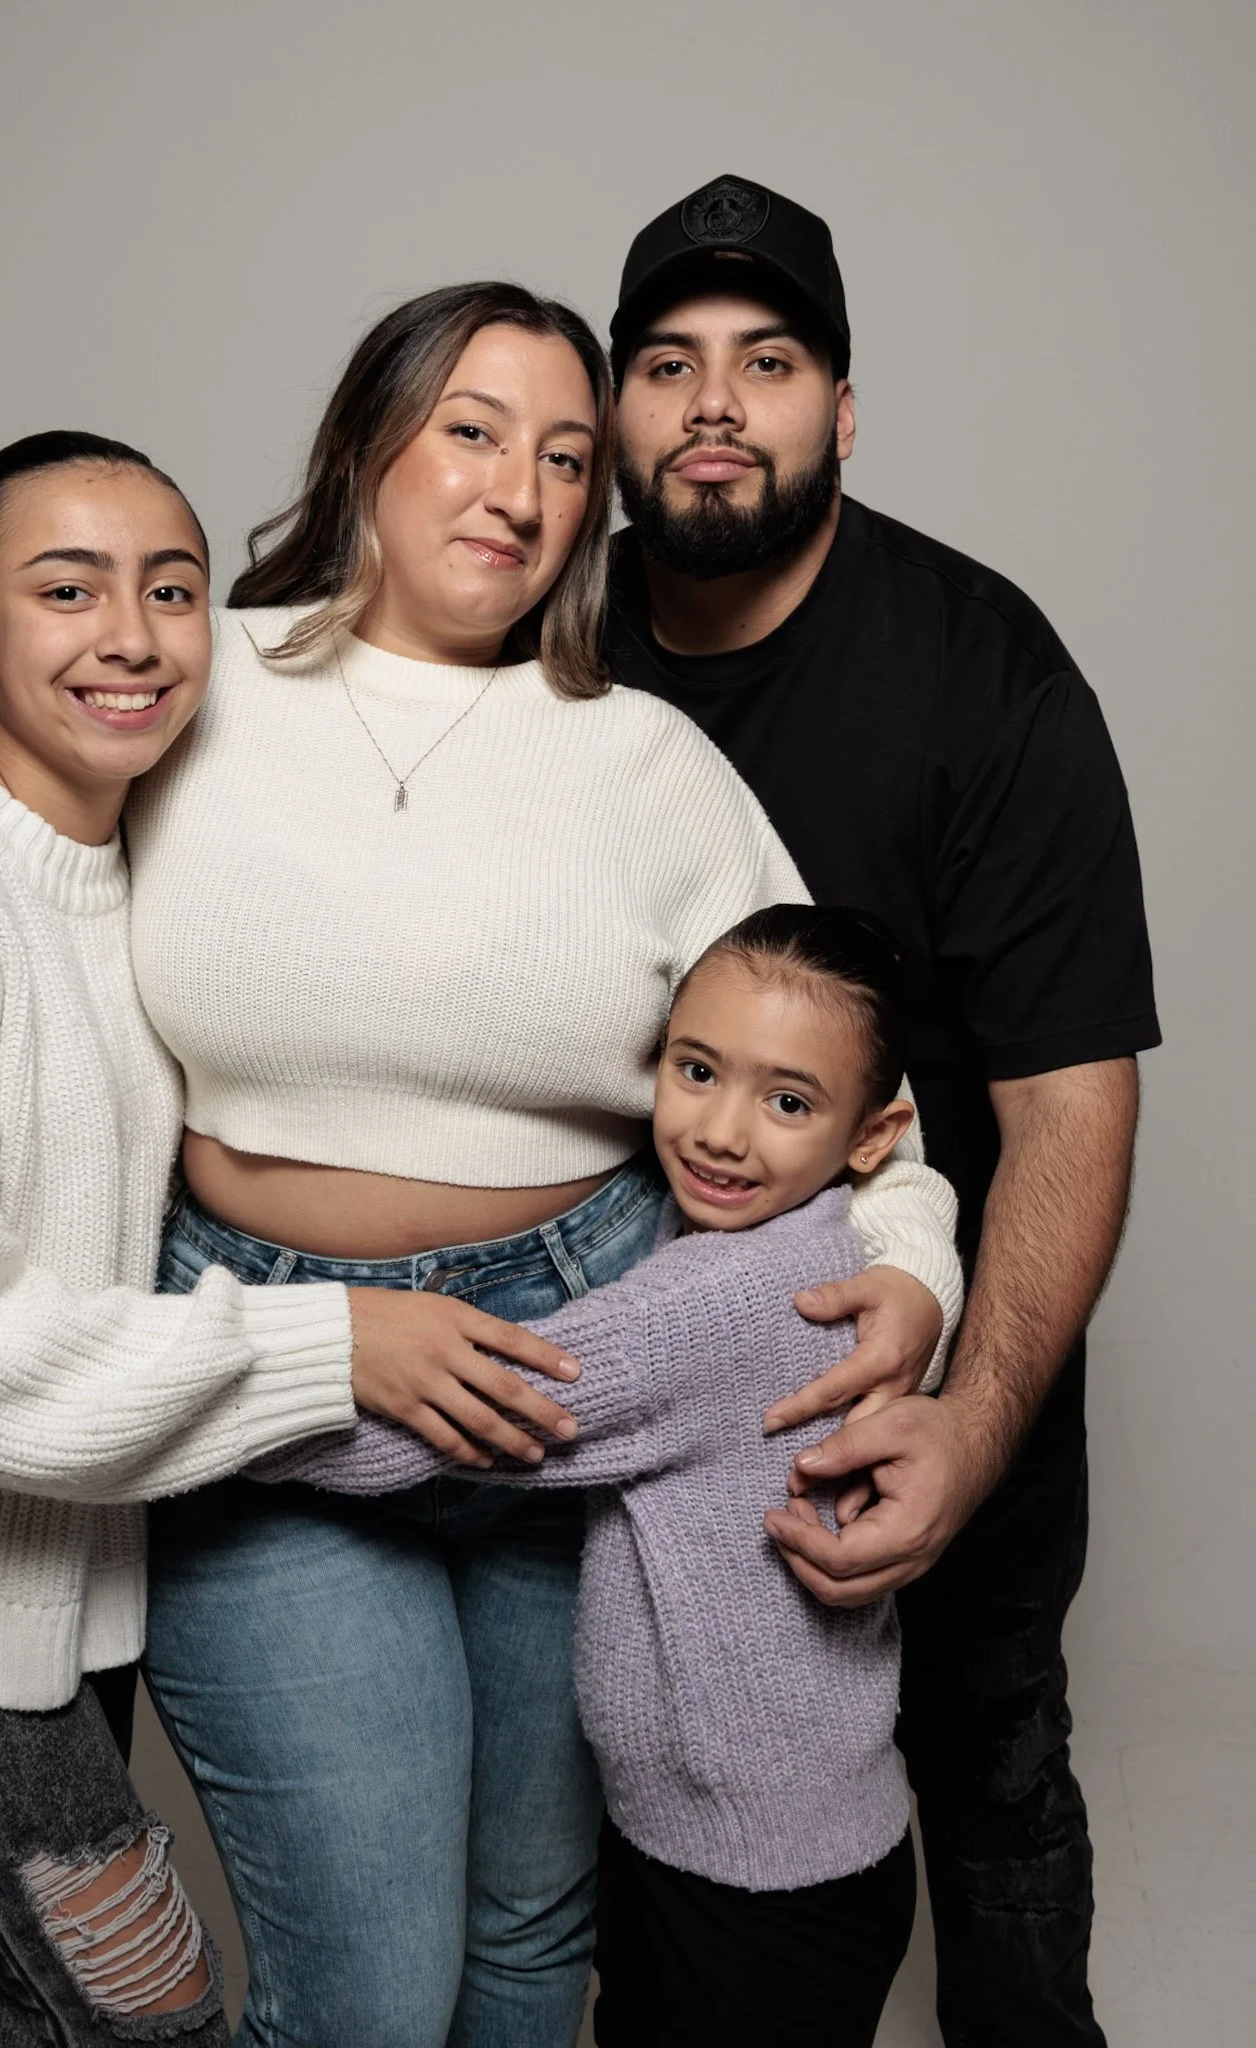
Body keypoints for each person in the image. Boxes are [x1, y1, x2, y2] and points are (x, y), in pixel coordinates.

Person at [0, 284, 964, 2048]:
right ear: (367, 443)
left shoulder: (646, 758)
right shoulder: (199, 672)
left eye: (565, 455)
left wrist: (915, 1278)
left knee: (531, 1942)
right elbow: (21, 780)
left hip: (576, 1369)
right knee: (367, 1994)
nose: (521, 489)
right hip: (266, 1372)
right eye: (472, 429)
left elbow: (860, 1092)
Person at [0, 429, 580, 2047]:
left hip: (49, 1559)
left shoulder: (123, 840)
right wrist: (338, 1346)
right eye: (61, 590)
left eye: (171, 589)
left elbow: (372, 644)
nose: (131, 633)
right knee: (145, 2008)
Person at [600, 174, 1159, 2046]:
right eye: (664, 361)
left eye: (765, 362)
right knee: (619, 1832)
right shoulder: (537, 633)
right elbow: (213, 674)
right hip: (631, 1371)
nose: (708, 403)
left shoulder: (980, 666)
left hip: (928, 1352)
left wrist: (975, 1417)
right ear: (608, 413)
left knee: (989, 1767)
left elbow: (1068, 1094)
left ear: (839, 412)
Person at [260, 902, 951, 2048]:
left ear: (874, 1137)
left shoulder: (718, 1299)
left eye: (788, 1101)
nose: (723, 1131)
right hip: (759, 1842)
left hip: (756, 1884)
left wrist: (213, 1407)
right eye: (696, 1070)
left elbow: (445, 1426)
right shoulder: (803, 1240)